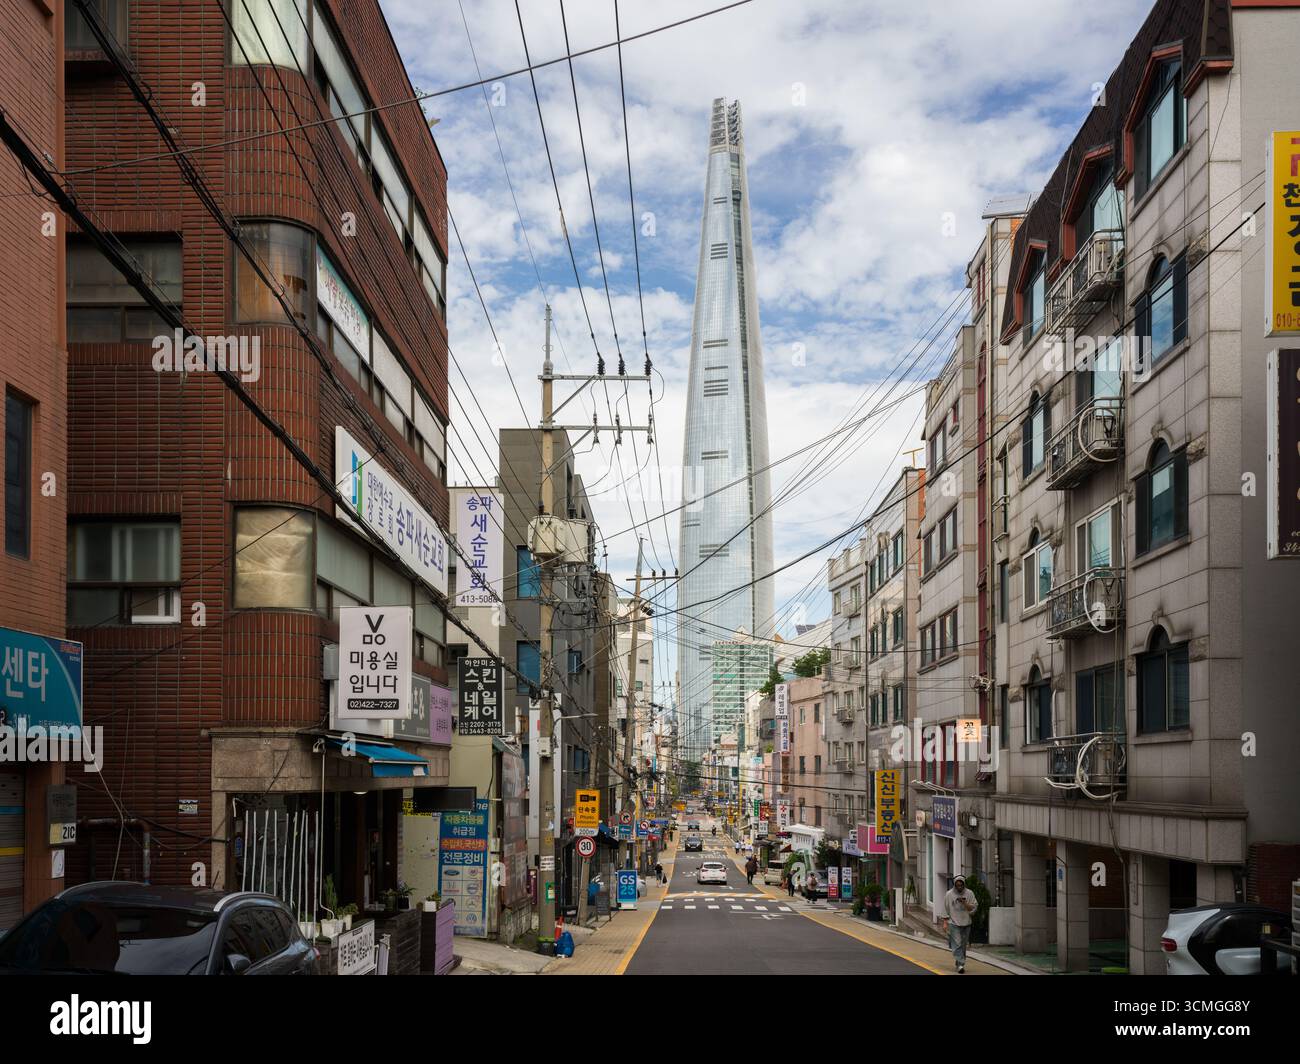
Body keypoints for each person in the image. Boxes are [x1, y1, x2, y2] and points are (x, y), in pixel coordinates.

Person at [944, 874, 979, 973]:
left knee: (963, 945)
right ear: (954, 885)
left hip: (966, 922)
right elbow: (945, 908)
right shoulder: (949, 894)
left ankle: (959, 964)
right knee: (957, 943)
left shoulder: (969, 894)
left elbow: (974, 908)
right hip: (954, 923)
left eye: (961, 885)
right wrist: (945, 922)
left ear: (964, 885)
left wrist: (965, 903)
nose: (959, 887)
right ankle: (961, 964)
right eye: (957, 885)